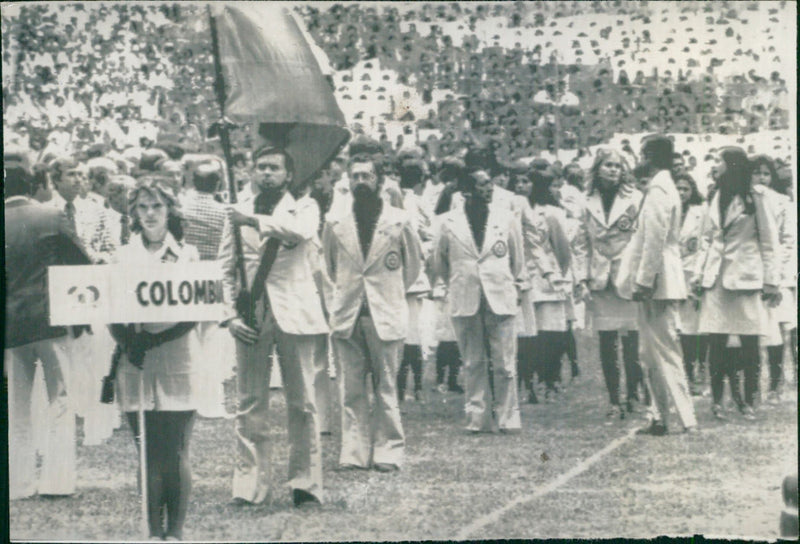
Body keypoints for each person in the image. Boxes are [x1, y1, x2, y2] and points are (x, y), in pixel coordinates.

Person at [219, 146, 328, 505]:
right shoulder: (237, 210)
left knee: (303, 403)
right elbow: (224, 268)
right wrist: (230, 315)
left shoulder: (305, 206)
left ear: (288, 175)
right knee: (250, 403)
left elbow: (299, 233)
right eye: (261, 166)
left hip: (295, 311)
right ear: (252, 171)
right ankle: (249, 487)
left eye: (274, 168)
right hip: (251, 312)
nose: (266, 173)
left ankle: (306, 485)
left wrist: (250, 221)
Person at [322, 140, 422, 471]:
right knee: (350, 390)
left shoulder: (399, 220)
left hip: (385, 314)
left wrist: (387, 293)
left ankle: (388, 450)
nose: (361, 182)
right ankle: (353, 452)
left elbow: (412, 268)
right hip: (349, 314)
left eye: (367, 176)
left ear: (379, 180)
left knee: (386, 387)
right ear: (348, 181)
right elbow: (330, 267)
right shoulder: (335, 222)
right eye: (356, 176)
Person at [111, 180, 200, 540]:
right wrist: (130, 342)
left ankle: (175, 532)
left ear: (170, 211)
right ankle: (152, 531)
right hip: (134, 360)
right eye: (143, 207)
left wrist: (156, 338)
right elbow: (109, 308)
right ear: (133, 212)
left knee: (175, 446)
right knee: (146, 448)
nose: (149, 214)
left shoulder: (188, 255)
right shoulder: (121, 255)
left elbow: (195, 311)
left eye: (157, 207)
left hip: (177, 357)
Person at [6, 162, 92, 499]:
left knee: (17, 405)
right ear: (32, 183)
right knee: (60, 400)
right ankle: (58, 480)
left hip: (12, 324)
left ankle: (18, 481)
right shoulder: (53, 216)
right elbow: (82, 262)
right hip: (52, 317)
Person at [432, 149, 527, 434]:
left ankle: (508, 417)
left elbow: (517, 259)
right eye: (481, 184)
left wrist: (517, 286)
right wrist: (455, 284)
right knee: (472, 361)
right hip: (465, 296)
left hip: (500, 295)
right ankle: (477, 417)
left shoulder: (506, 217)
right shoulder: (447, 222)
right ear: (466, 189)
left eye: (489, 183)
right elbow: (439, 262)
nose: (488, 188)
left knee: (504, 363)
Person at [616, 135, 696, 436]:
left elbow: (655, 241)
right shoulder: (660, 187)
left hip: (658, 278)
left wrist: (644, 280)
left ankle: (686, 417)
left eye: (643, 155)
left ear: (650, 156)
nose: (640, 160)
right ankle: (659, 416)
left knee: (665, 349)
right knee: (649, 353)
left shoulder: (661, 189)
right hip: (657, 277)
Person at [692, 147, 781, 421]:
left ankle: (749, 400)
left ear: (732, 165)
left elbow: (769, 241)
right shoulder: (714, 195)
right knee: (716, 342)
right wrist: (698, 275)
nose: (715, 164)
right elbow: (706, 240)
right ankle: (718, 400)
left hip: (745, 278)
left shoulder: (758, 196)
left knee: (749, 343)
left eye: (719, 160)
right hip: (716, 279)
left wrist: (772, 282)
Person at [574, 150, 646, 421]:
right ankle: (614, 399)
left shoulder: (635, 199)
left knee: (632, 342)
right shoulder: (585, 202)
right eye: (608, 165)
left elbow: (640, 239)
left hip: (627, 276)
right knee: (606, 341)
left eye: (618, 166)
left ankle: (634, 395)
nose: (613, 170)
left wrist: (637, 274)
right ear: (598, 169)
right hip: (600, 278)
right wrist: (581, 279)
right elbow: (580, 244)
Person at [749, 155, 796, 402]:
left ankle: (775, 385)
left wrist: (775, 276)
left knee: (777, 330)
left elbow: (788, 242)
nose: (761, 178)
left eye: (766, 173)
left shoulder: (783, 202)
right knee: (752, 331)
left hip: (777, 275)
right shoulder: (745, 200)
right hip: (750, 273)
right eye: (757, 172)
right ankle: (752, 384)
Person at [524, 167, 573, 403]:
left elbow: (563, 250)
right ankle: (528, 382)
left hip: (548, 282)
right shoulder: (512, 211)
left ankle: (550, 380)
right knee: (527, 337)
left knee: (551, 336)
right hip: (524, 279)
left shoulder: (552, 213)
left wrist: (557, 276)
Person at [674, 173, 708, 395]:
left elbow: (705, 243)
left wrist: (699, 275)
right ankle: (682, 372)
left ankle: (698, 369)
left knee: (695, 327)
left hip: (692, 272)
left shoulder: (700, 212)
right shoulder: (668, 211)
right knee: (677, 328)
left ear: (692, 190)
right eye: (677, 188)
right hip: (672, 273)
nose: (681, 193)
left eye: (685, 189)